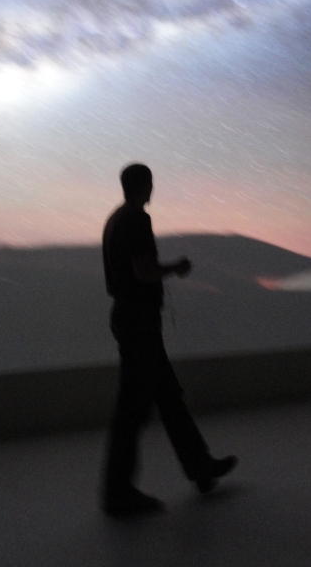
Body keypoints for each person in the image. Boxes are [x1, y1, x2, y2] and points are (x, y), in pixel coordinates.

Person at [100, 163, 238, 516]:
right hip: (140, 322)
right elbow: (144, 271)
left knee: (165, 397)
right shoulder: (136, 220)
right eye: (151, 183)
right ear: (144, 185)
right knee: (135, 408)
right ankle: (118, 493)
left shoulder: (115, 220)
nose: (153, 189)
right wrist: (175, 268)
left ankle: (201, 468)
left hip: (130, 319)